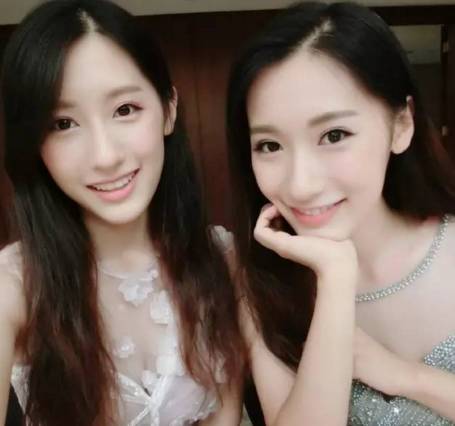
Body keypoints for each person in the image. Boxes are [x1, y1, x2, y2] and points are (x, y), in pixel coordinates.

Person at [0, 0, 245, 424]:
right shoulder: (14, 285)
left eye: (125, 110)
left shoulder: (221, 258)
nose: (105, 156)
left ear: (168, 110)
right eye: (63, 124)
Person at [227, 2, 455, 425]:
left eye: (334, 135)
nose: (300, 185)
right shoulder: (260, 286)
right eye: (270, 145)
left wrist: (403, 376)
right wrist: (335, 278)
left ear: (401, 126)